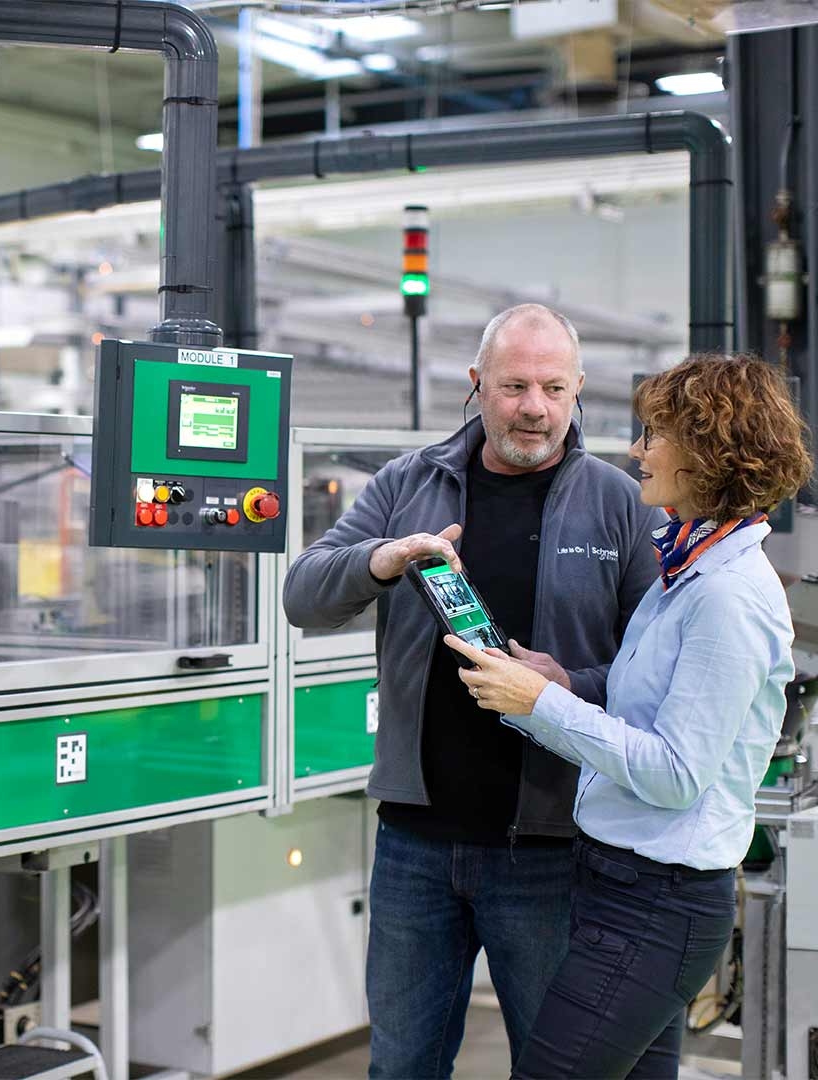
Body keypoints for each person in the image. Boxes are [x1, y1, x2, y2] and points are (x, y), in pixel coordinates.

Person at [282, 303, 665, 1076]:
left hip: (554, 848)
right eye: (515, 386)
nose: (535, 408)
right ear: (477, 384)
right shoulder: (408, 483)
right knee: (401, 1066)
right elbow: (303, 597)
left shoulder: (620, 502)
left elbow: (653, 670)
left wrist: (568, 684)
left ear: (578, 389)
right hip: (415, 844)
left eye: (554, 389)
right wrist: (383, 559)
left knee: (555, 1067)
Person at [449, 354, 813, 1079]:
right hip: (619, 885)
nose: (637, 449)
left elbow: (675, 773)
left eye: (656, 435)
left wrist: (543, 704)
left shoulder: (727, 595)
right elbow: (644, 713)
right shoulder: (686, 570)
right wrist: (556, 686)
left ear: (711, 452)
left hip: (658, 906)